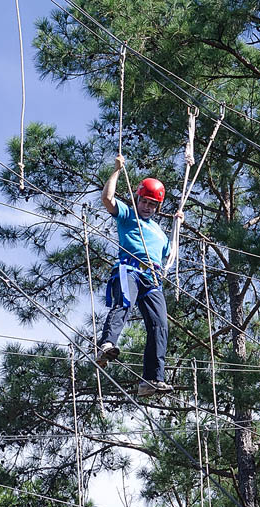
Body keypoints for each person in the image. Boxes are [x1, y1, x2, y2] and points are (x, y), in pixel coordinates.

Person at [96, 154, 182, 398]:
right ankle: (106, 345)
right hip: (130, 268)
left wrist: (177, 226)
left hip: (152, 278)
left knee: (160, 325)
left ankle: (152, 379)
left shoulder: (158, 232)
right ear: (137, 198)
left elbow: (170, 253)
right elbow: (107, 198)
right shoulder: (128, 214)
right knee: (124, 302)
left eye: (152, 205)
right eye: (144, 202)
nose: (147, 207)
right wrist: (116, 171)